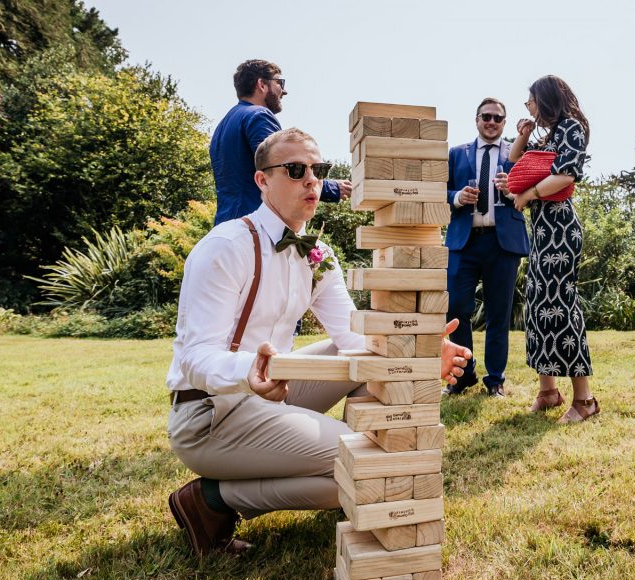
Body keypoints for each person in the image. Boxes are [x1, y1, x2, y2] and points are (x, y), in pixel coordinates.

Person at [166, 128, 473, 555]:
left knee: (365, 358)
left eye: (318, 169)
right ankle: (211, 500)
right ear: (262, 181)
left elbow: (350, 336)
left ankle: (310, 456)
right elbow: (196, 357)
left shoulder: (318, 253)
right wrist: (250, 371)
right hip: (209, 412)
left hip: (273, 392)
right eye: (295, 170)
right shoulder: (224, 248)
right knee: (362, 466)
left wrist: (417, 353)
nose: (312, 180)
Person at [507, 75, 599, 423]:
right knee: (537, 305)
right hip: (544, 229)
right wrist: (524, 134)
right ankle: (548, 391)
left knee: (560, 306)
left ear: (545, 99)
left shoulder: (571, 128)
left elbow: (566, 176)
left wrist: (528, 194)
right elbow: (516, 160)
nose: (528, 106)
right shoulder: (549, 135)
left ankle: (585, 400)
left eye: (530, 100)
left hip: (561, 228)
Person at [443, 98, 529, 398]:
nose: (491, 122)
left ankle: (495, 380)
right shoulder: (456, 154)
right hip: (463, 242)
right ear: (477, 119)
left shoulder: (517, 154)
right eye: (486, 117)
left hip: (502, 243)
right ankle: (463, 376)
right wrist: (456, 197)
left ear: (504, 123)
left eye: (497, 118)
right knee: (455, 309)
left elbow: (530, 192)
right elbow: (441, 190)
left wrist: (512, 189)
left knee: (498, 313)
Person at [210, 59, 351, 225]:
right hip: (255, 226)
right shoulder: (259, 116)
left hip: (226, 223)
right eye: (279, 83)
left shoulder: (224, 124)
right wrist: (332, 188)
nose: (284, 91)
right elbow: (283, 166)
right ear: (261, 84)